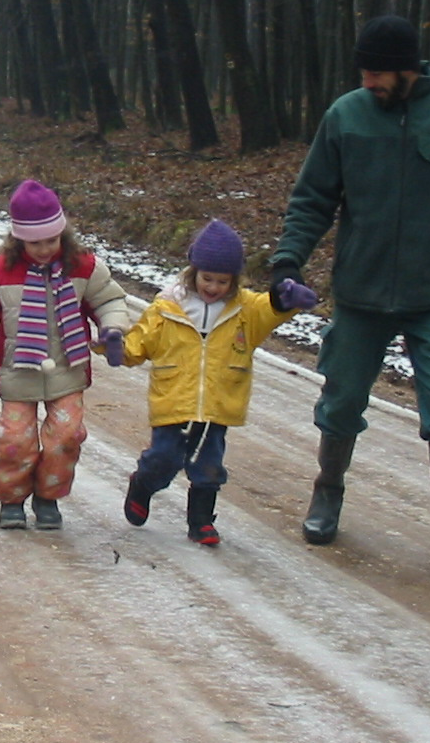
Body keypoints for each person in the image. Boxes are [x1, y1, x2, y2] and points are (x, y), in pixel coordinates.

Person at [269, 14, 430, 579]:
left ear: (408, 68)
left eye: (377, 72)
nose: (368, 82)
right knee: (341, 403)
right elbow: (312, 198)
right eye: (363, 72)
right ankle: (328, 492)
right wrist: (288, 259)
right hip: (360, 293)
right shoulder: (346, 116)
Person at [0, 180, 131, 530]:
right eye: (34, 242)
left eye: (50, 240)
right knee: (15, 442)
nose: (43, 249)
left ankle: (48, 497)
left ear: (63, 235)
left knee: (67, 437)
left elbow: (108, 300)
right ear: (18, 240)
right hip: (19, 373)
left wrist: (113, 327)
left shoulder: (84, 267)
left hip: (68, 370)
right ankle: (12, 500)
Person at [118, 219, 317, 545]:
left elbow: (272, 308)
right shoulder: (168, 308)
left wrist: (289, 298)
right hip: (174, 399)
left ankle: (201, 521)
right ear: (193, 272)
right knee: (164, 458)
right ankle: (143, 484)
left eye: (222, 281)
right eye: (206, 278)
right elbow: (138, 345)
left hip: (217, 403)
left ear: (234, 280)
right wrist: (114, 347)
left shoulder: (245, 311)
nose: (213, 287)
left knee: (208, 465)